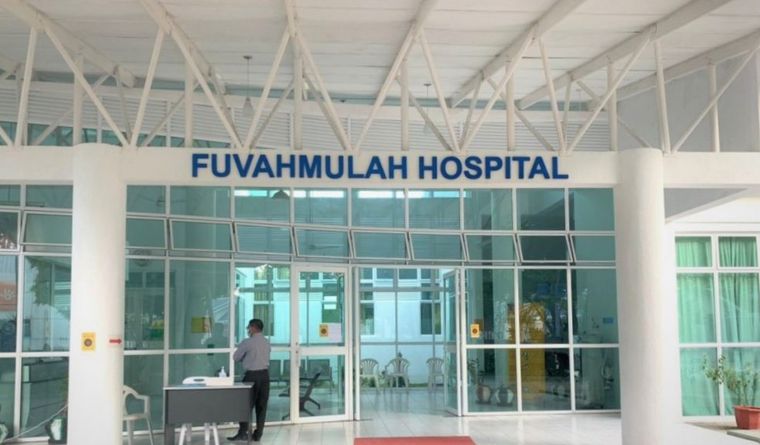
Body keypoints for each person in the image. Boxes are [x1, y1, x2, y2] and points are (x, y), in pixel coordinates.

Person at [229, 319, 270, 442]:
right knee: (262, 406)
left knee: (245, 405)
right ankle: (258, 434)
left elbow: (236, 357)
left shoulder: (247, 342)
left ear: (253, 328)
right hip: (265, 376)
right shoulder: (266, 342)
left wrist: (246, 358)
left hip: (251, 376)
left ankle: (243, 432)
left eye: (249, 327)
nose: (248, 330)